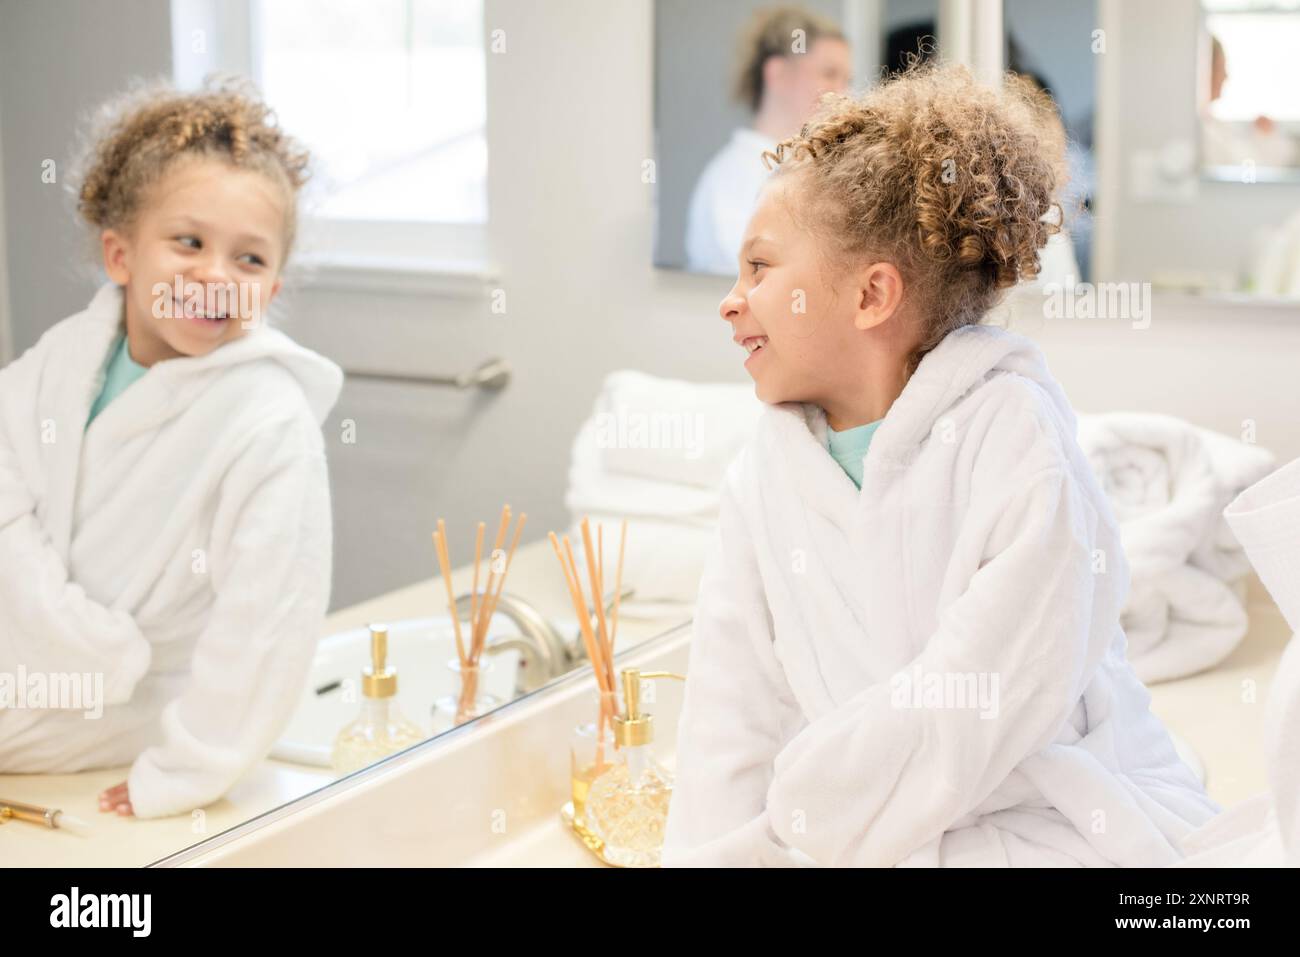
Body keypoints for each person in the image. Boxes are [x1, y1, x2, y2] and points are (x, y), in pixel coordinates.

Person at [663, 63, 1219, 867]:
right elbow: (730, 710)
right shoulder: (765, 474)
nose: (731, 297)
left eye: (759, 268)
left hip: (1052, 825)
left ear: (869, 296)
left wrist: (810, 808)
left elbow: (988, 690)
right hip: (855, 840)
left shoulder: (1011, 434)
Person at [0, 78, 342, 819]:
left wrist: (187, 771)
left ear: (273, 285)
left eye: (249, 260)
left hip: (115, 714)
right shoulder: (67, 358)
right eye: (189, 242)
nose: (216, 275)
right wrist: (61, 625)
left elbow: (268, 619)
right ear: (120, 255)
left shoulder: (265, 423)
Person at [685, 6, 850, 275]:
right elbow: (759, 274)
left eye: (846, 79)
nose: (842, 92)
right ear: (778, 74)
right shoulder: (734, 177)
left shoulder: (807, 171)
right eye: (829, 74)